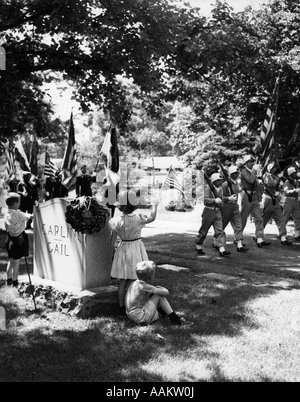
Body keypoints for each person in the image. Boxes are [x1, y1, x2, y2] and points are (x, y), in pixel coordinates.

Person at [109, 189, 159, 316]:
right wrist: (155, 205)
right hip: (135, 249)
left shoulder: (115, 221)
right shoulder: (139, 218)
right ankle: (134, 305)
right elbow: (152, 217)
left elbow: (112, 242)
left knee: (123, 280)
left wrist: (113, 253)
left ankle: (121, 307)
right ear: (135, 204)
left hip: (122, 249)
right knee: (135, 280)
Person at [125, 260, 192, 326]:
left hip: (131, 315)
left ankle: (165, 313)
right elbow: (166, 292)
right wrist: (160, 287)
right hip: (140, 317)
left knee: (153, 296)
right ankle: (175, 319)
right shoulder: (145, 286)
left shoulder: (134, 283)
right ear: (151, 276)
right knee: (159, 296)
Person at [195, 173, 231, 257]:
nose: (220, 182)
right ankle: (198, 245)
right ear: (214, 181)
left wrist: (227, 199)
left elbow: (221, 199)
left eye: (221, 180)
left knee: (220, 231)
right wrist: (214, 201)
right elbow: (205, 200)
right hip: (209, 211)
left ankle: (222, 249)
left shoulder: (221, 189)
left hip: (217, 211)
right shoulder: (208, 189)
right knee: (204, 230)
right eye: (218, 181)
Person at [240, 155, 271, 248]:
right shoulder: (244, 172)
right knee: (243, 218)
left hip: (254, 197)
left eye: (252, 161)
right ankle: (238, 238)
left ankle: (259, 239)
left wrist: (260, 199)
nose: (252, 163)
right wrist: (254, 170)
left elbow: (257, 186)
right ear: (245, 163)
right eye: (250, 161)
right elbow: (250, 180)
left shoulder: (253, 172)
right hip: (246, 196)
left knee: (259, 218)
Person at [4, 192, 32, 288]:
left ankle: (9, 280)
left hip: (10, 239)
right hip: (19, 239)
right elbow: (29, 217)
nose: (20, 203)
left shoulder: (6, 214)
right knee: (17, 261)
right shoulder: (18, 214)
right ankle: (15, 281)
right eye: (19, 202)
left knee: (10, 260)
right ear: (15, 203)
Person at [220, 165, 249, 252]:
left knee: (238, 226)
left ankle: (239, 245)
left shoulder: (237, 183)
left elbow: (239, 191)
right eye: (234, 173)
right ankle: (217, 243)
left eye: (237, 173)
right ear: (230, 175)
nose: (237, 175)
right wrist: (228, 198)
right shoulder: (225, 185)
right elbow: (220, 197)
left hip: (235, 206)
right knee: (221, 227)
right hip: (227, 206)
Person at [262, 162, 292, 245]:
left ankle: (283, 237)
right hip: (268, 199)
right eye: (273, 168)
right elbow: (272, 184)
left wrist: (279, 192)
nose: (275, 169)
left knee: (280, 218)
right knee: (264, 218)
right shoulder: (266, 175)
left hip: (276, 200)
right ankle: (259, 236)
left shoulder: (275, 176)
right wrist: (278, 179)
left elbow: (279, 187)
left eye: (275, 168)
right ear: (270, 168)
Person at [281, 166, 300, 242]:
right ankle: (282, 234)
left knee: (297, 218)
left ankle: (297, 234)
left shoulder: (296, 182)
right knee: (285, 218)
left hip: (296, 201)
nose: (296, 174)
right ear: (291, 174)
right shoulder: (287, 182)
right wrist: (295, 191)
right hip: (289, 201)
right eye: (294, 173)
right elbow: (286, 192)